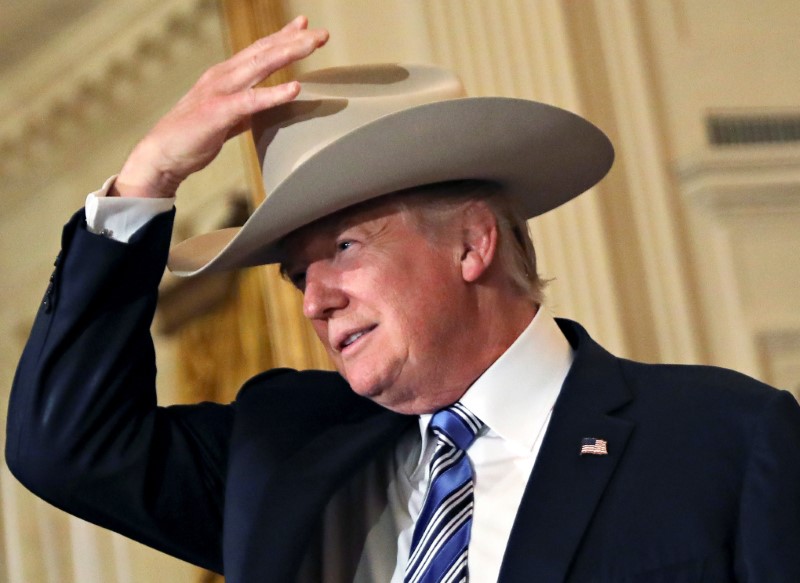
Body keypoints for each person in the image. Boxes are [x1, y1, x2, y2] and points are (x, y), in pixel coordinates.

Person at [6, 16, 800, 583]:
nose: (313, 300)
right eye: (296, 273)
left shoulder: (725, 439)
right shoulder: (285, 456)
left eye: (345, 249)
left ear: (471, 242)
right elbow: (64, 446)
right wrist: (147, 181)